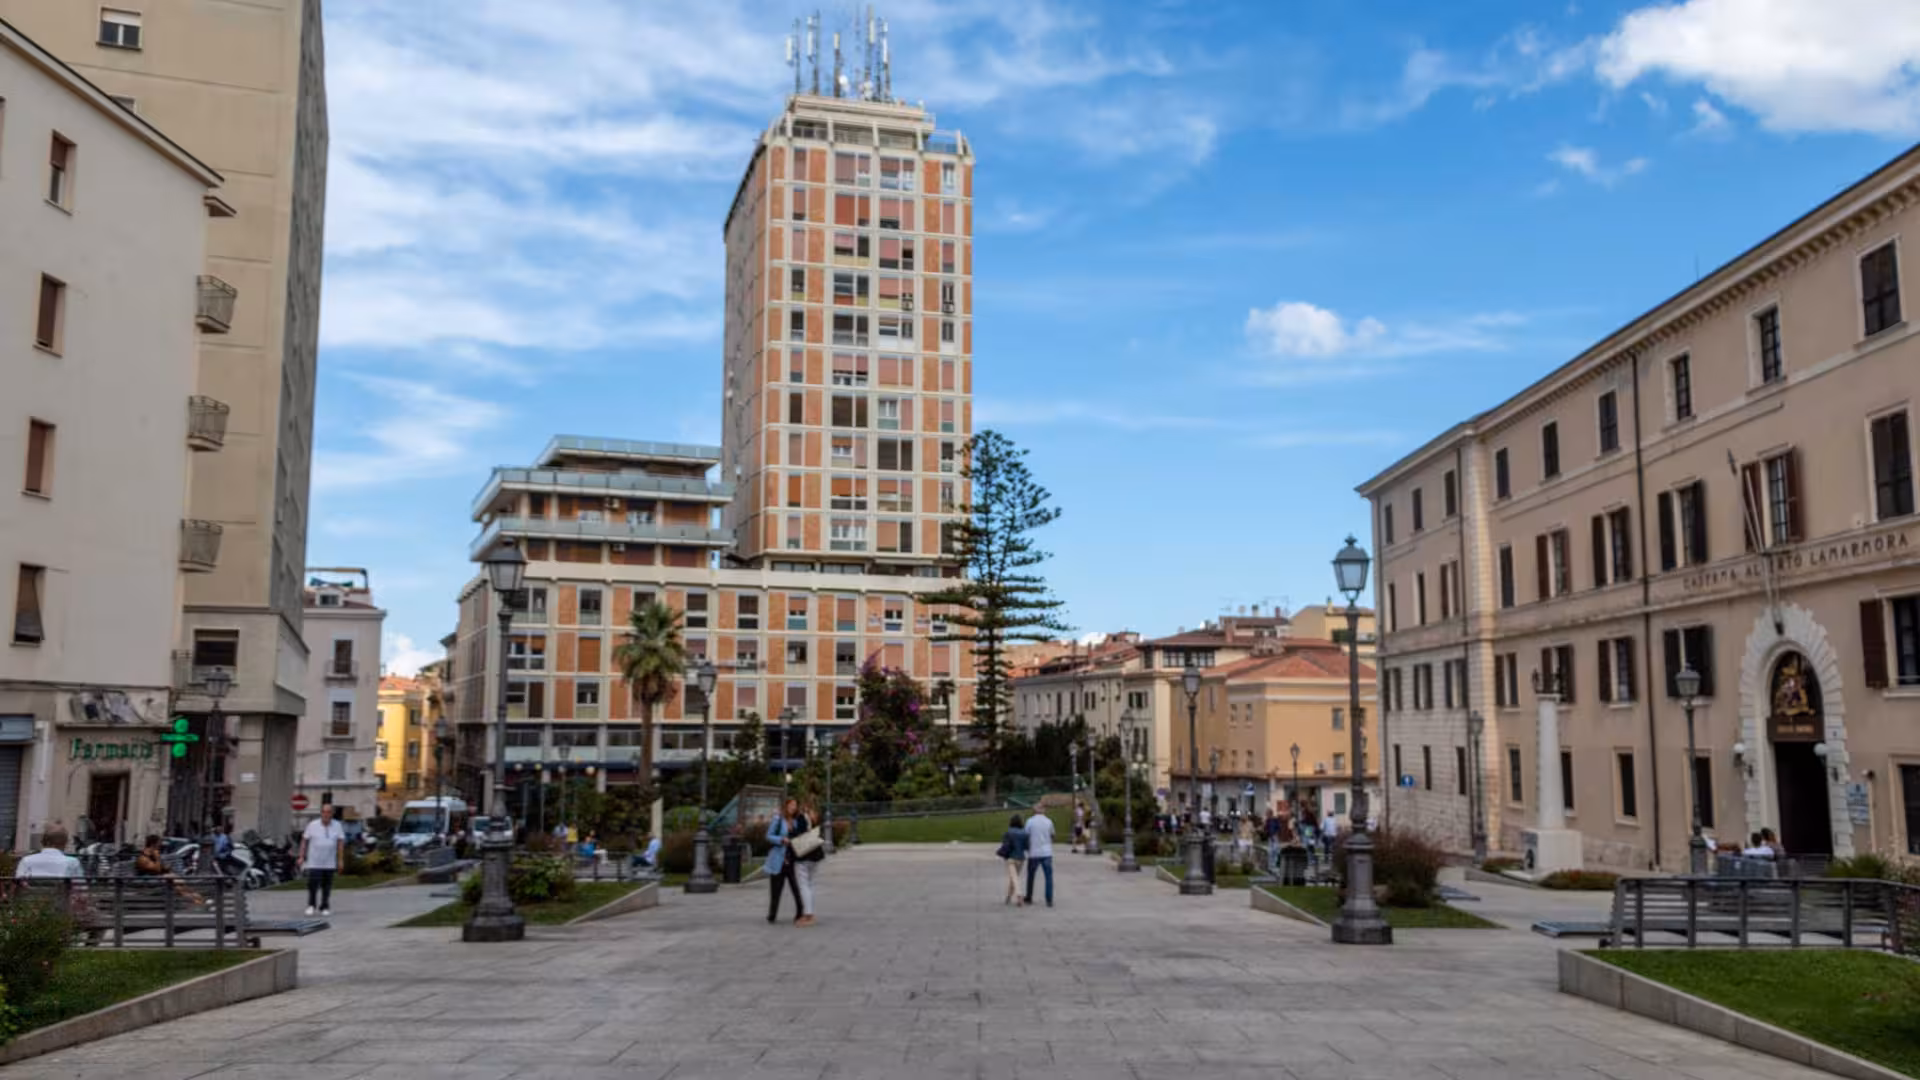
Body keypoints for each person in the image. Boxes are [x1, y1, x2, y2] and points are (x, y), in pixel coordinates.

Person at [299, 803, 347, 917]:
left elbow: (340, 843)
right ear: (321, 813)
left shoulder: (337, 825)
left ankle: (324, 906)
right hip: (314, 861)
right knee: (313, 884)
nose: (326, 814)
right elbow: (304, 841)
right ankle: (311, 905)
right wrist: (301, 856)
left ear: (332, 813)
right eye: (324, 812)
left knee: (327, 885)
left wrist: (340, 860)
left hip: (329, 862)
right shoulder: (312, 825)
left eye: (329, 812)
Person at [765, 800, 803, 924]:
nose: (793, 808)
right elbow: (768, 836)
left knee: (794, 886)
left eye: (795, 806)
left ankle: (800, 912)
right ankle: (772, 913)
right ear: (786, 806)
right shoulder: (778, 819)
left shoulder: (796, 821)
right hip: (778, 858)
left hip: (790, 858)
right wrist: (781, 839)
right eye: (791, 805)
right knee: (776, 888)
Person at [790, 799, 825, 926]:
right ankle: (809, 912)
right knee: (809, 885)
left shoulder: (801, 818)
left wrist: (790, 833)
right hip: (816, 855)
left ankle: (808, 915)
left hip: (804, 855)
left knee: (804, 885)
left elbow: (799, 834)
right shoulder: (815, 818)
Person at [15, 827, 80, 879]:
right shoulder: (73, 862)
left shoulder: (26, 860)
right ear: (64, 843)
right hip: (61, 895)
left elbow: (19, 881)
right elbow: (81, 888)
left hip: (30, 895)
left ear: (43, 842)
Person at [1023, 806, 1056, 908]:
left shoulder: (1030, 821)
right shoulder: (1049, 821)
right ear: (1044, 811)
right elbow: (1053, 835)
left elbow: (1026, 836)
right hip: (1047, 852)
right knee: (1048, 877)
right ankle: (1049, 899)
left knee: (1031, 876)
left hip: (1034, 852)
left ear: (1034, 811)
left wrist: (1027, 848)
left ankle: (1029, 896)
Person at [997, 813, 1029, 906]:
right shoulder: (1024, 833)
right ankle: (1008, 896)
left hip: (1011, 858)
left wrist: (1001, 853)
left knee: (1014, 877)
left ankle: (1019, 895)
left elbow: (1005, 846)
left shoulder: (1008, 833)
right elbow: (1027, 847)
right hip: (1021, 858)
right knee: (1014, 878)